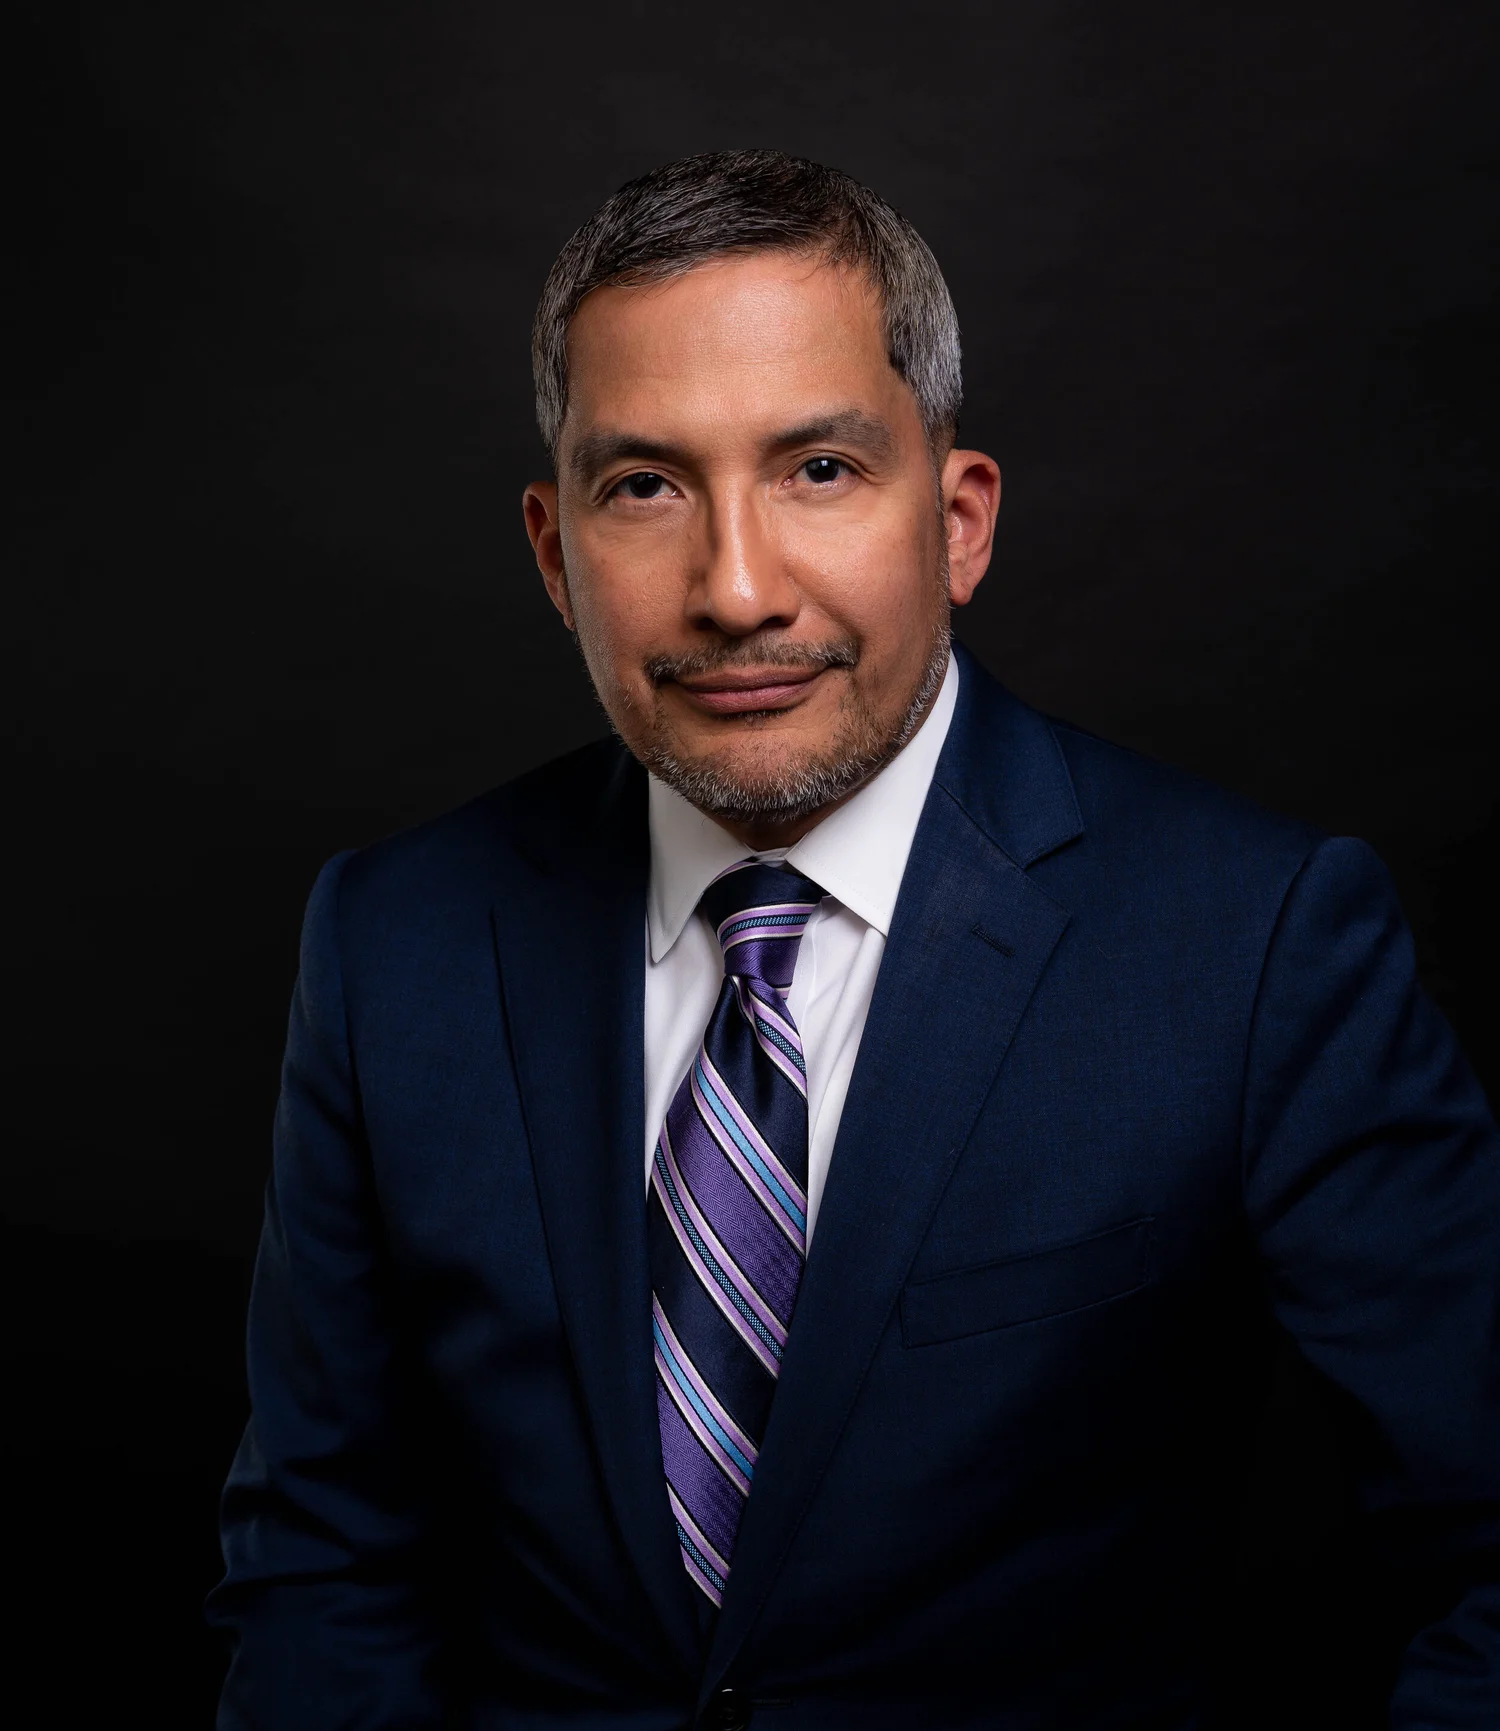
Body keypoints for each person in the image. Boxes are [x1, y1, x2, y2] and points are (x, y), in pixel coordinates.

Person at [210, 151, 1500, 1730]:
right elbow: (324, 1566)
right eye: (646, 485)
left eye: (818, 469)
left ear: (957, 521)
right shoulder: (393, 944)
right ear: (554, 554)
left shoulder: (1253, 942)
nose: (737, 588)